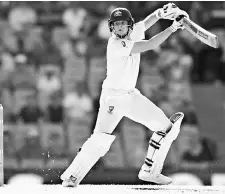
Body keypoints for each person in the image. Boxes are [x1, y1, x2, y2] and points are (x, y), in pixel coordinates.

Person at [61, 3, 189, 187]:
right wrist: (173, 27)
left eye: (123, 23)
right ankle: (72, 177)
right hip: (113, 98)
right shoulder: (115, 43)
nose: (119, 27)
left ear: (129, 25)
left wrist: (161, 12)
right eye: (116, 24)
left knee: (167, 129)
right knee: (100, 139)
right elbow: (151, 44)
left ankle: (150, 172)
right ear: (111, 27)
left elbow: (146, 22)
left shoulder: (134, 31)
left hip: (131, 96)